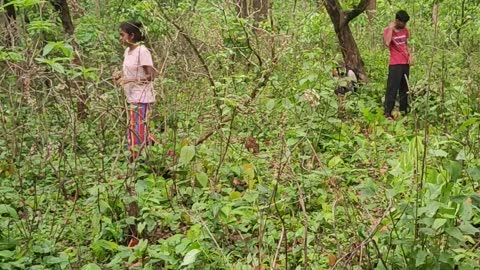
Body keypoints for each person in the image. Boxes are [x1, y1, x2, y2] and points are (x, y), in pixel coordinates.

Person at [115, 21, 157, 161]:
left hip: (142, 98)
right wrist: (120, 76)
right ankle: (153, 154)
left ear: (132, 36)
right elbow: (129, 71)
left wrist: (131, 81)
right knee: (136, 130)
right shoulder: (128, 51)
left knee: (137, 132)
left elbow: (150, 76)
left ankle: (137, 160)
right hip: (131, 97)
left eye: (122, 35)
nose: (120, 38)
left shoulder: (142, 51)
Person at [383, 10, 411, 119]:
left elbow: (405, 43)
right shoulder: (388, 30)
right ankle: (387, 112)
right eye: (402, 22)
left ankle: (403, 110)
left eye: (405, 23)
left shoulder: (405, 30)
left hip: (405, 62)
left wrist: (410, 55)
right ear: (397, 20)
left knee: (404, 88)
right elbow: (387, 42)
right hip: (395, 63)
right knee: (392, 88)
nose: (404, 25)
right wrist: (390, 28)